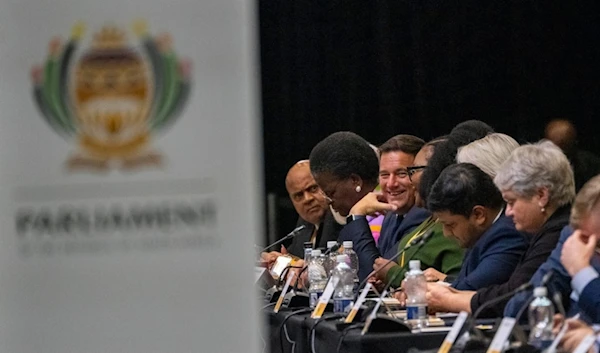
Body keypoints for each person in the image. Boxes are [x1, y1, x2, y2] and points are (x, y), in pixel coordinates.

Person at [425, 141, 574, 317]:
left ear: (541, 196)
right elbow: (511, 290)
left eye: (511, 202)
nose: (508, 212)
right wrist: (450, 293)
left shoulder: (559, 234)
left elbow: (519, 296)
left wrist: (451, 299)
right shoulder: (547, 231)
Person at [503, 176, 600, 323]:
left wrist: (581, 271)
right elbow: (517, 310)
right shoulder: (574, 238)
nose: (586, 250)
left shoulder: (579, 258)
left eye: (597, 244)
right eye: (585, 240)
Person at [372, 137, 465, 288]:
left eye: (409, 171)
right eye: (384, 175)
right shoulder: (426, 220)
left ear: (436, 174)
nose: (411, 178)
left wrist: (395, 276)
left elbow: (460, 285)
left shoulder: (448, 223)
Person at [309, 131, 401, 281]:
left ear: (355, 181)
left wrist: (356, 215)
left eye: (331, 193)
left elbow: (370, 278)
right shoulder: (356, 216)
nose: (328, 201)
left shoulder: (390, 211)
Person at [424, 163, 528, 292]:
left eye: (450, 225)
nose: (446, 233)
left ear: (478, 215)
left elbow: (472, 288)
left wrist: (421, 291)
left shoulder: (508, 235)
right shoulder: (481, 234)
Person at [261, 160, 342, 262]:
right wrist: (283, 260)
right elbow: (298, 258)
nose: (307, 199)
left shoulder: (341, 217)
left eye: (313, 188)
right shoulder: (304, 224)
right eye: (299, 195)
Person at [544, 118, 600, 192]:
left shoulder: (590, 165)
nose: (560, 159)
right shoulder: (534, 167)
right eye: (554, 153)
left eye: (564, 154)